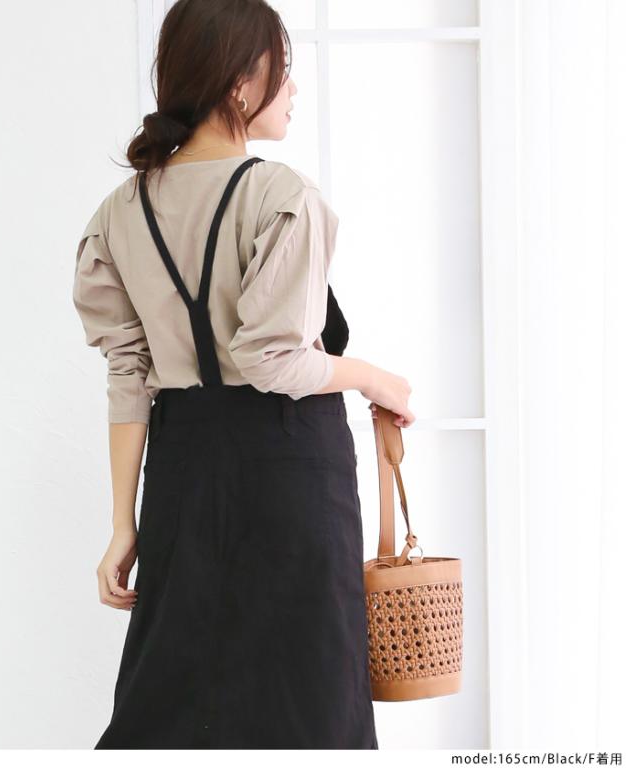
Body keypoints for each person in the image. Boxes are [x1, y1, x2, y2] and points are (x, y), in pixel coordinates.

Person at [72, 0, 414, 750]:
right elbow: (275, 360)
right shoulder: (282, 196)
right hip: (291, 478)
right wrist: (376, 379)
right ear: (238, 82)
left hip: (182, 478)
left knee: (178, 704)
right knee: (311, 704)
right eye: (282, 71)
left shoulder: (119, 211)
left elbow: (129, 375)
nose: (293, 89)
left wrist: (125, 522)